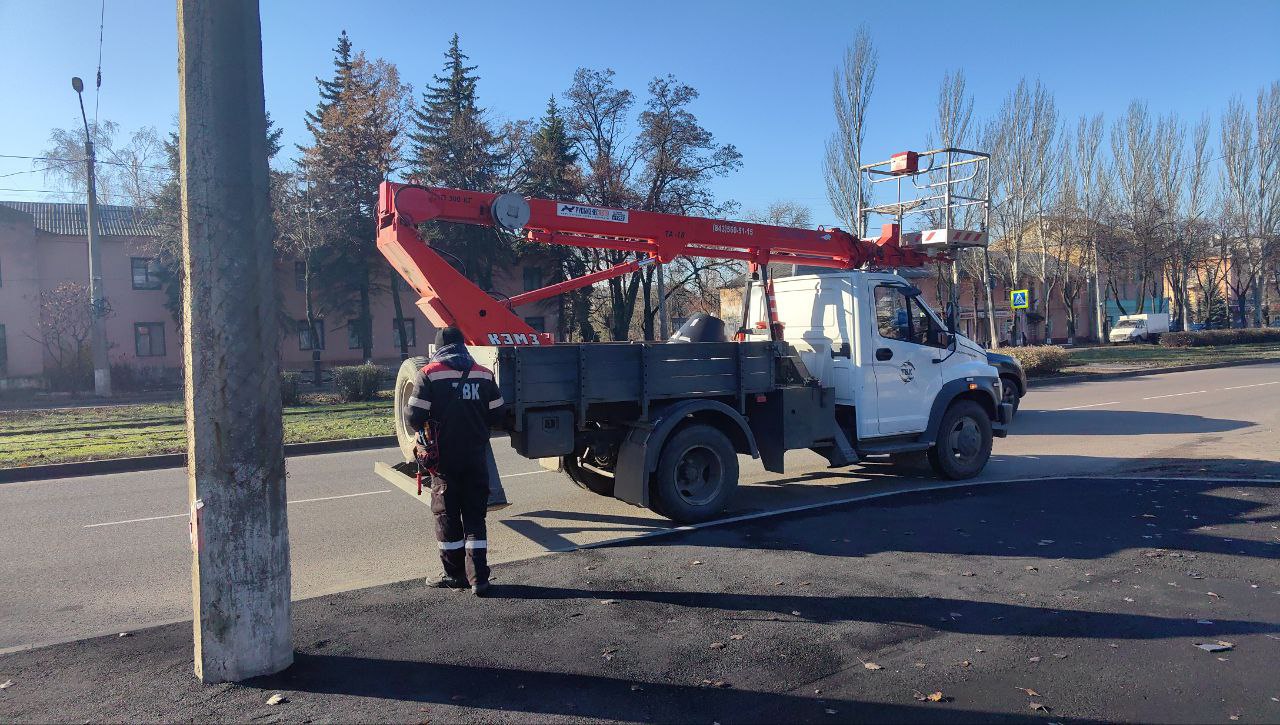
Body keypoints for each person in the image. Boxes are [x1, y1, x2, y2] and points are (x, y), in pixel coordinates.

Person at [403, 326, 504, 596]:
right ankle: (478, 579)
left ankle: (454, 574)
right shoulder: (483, 374)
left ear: (438, 348)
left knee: (447, 516)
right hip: (475, 458)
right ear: (463, 345)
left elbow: (413, 417)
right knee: (475, 517)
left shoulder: (429, 374)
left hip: (444, 462)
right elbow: (497, 415)